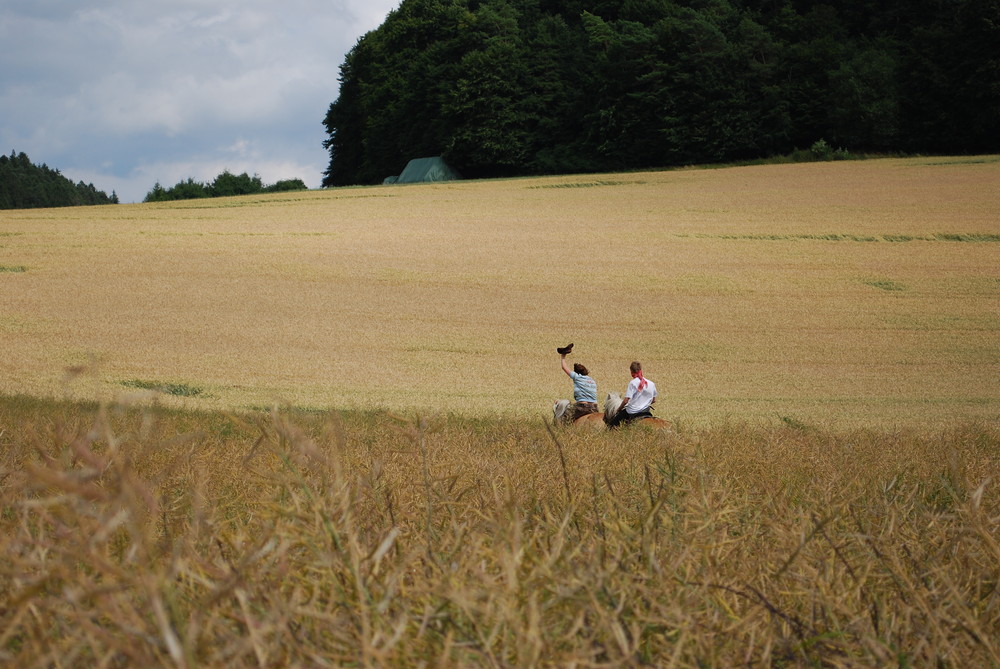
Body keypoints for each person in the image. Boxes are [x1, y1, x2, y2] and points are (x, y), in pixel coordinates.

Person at [606, 361, 657, 428]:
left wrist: (619, 409)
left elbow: (626, 401)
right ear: (641, 370)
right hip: (646, 411)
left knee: (612, 424)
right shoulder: (651, 383)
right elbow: (653, 400)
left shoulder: (633, 383)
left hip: (633, 411)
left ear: (631, 371)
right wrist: (644, 403)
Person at [559, 350, 599, 422]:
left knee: (565, 419)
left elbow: (564, 367)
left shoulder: (577, 376)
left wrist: (563, 356)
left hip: (582, 407)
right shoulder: (592, 380)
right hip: (595, 407)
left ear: (576, 372)